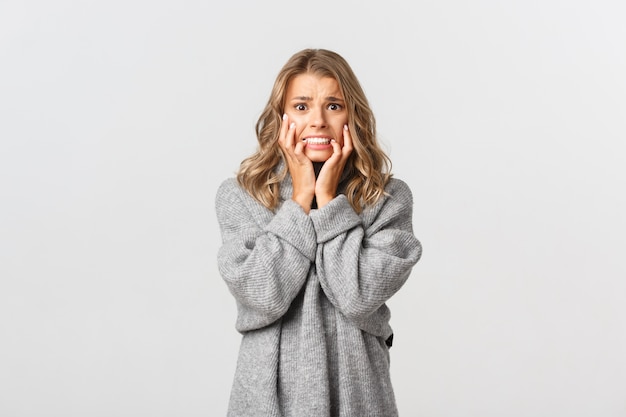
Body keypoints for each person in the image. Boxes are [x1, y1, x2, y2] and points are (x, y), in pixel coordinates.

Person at [215, 48, 422, 417]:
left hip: (358, 397)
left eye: (332, 105)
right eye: (301, 106)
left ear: (352, 115)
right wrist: (299, 199)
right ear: (281, 118)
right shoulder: (242, 197)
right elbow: (263, 295)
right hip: (268, 401)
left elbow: (357, 296)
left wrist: (327, 202)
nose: (317, 121)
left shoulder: (387, 200)